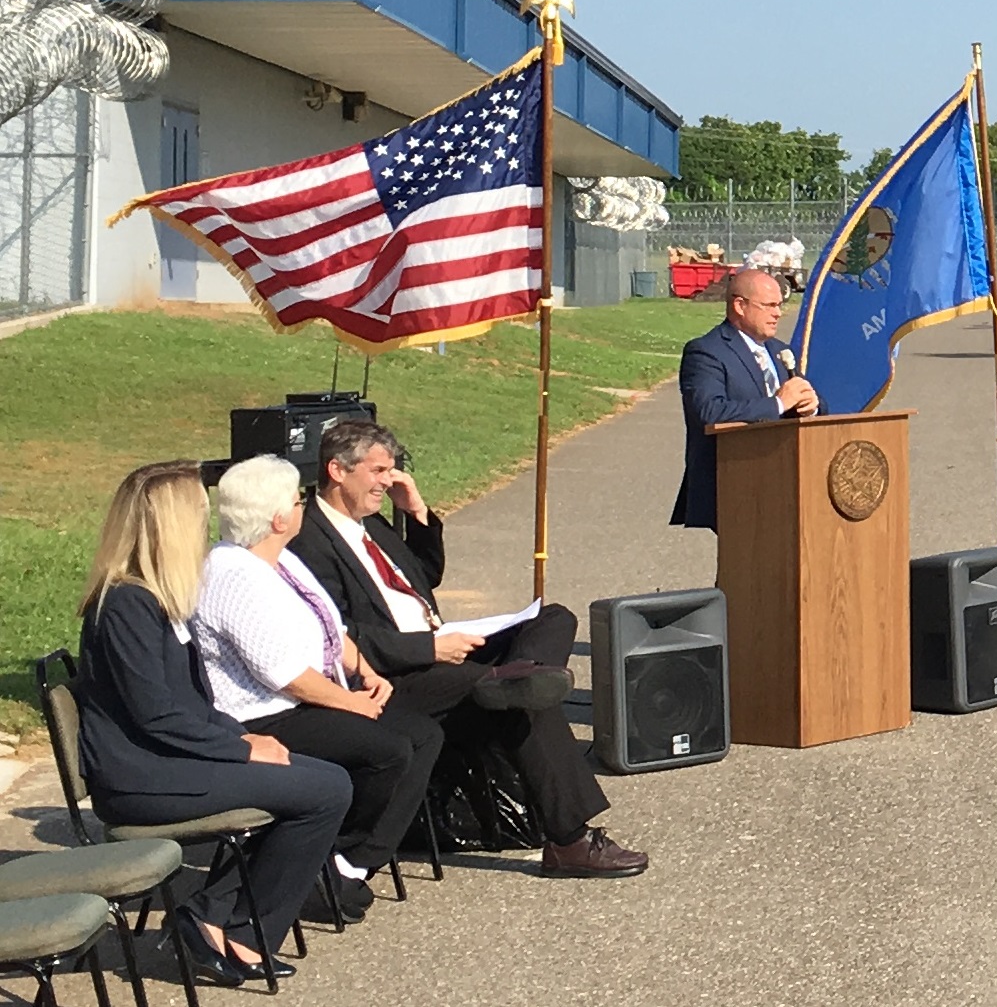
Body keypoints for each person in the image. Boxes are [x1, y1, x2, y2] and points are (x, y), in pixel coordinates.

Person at [288, 420, 649, 878]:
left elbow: (424, 576)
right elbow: (338, 632)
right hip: (395, 674)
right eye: (378, 471)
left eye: (391, 471)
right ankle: (570, 839)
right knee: (523, 704)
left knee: (552, 617)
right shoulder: (310, 539)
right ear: (338, 470)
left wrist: (416, 512)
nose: (387, 481)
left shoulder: (370, 525)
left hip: (439, 646)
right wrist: (428, 648)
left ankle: (522, 674)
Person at [75, 461, 351, 987]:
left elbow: (192, 705)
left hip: (169, 762)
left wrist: (242, 736)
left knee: (319, 778)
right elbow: (157, 714)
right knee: (325, 788)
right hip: (140, 780)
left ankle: (211, 920)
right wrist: (241, 751)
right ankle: (238, 931)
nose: (206, 530)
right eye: (198, 518)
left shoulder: (155, 598)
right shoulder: (124, 604)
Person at [192, 455, 443, 921]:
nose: (303, 506)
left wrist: (366, 672)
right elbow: (283, 674)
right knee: (386, 751)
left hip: (314, 697)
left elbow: (329, 625)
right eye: (296, 499)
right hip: (264, 715)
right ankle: (321, 857)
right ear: (278, 518)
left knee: (424, 734)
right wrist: (351, 704)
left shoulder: (283, 559)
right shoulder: (232, 575)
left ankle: (351, 860)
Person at [671, 268, 823, 532]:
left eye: (779, 305)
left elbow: (798, 404)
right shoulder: (706, 352)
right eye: (769, 306)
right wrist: (778, 404)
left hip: (787, 478)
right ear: (740, 305)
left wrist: (812, 406)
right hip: (735, 482)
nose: (778, 313)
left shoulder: (780, 351)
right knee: (745, 567)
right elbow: (709, 411)